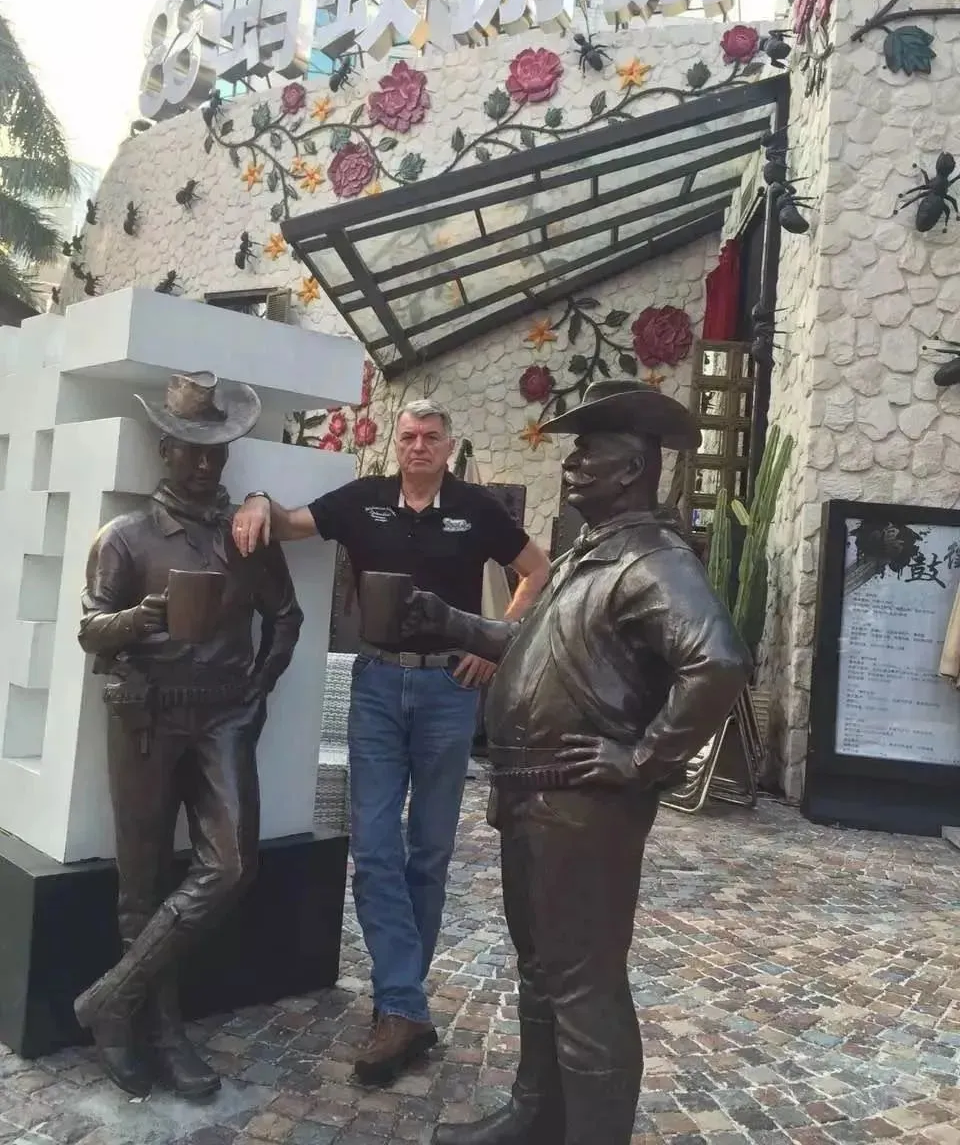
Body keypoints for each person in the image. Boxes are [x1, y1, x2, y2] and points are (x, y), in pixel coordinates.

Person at [401, 380, 752, 1145]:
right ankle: (538, 1115)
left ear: (631, 469)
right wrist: (450, 621)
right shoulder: (588, 555)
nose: (570, 465)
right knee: (541, 968)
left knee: (584, 984)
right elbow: (530, 644)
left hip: (584, 801)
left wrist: (642, 758)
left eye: (588, 453)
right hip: (534, 793)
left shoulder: (653, 561)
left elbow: (718, 662)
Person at [232, 398, 550, 1085]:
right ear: (396, 444)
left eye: (431, 436)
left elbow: (538, 569)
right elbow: (292, 523)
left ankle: (399, 1005)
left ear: (449, 445)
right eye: (408, 436)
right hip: (377, 686)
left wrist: (494, 643)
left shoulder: (475, 509)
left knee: (428, 853)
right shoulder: (364, 501)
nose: (418, 446)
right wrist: (257, 499)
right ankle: (404, 1007)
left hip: (448, 691)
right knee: (376, 849)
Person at [74, 371, 304, 1100]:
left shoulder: (247, 536)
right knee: (140, 877)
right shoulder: (125, 537)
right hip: (145, 715)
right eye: (192, 450)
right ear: (165, 450)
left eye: (218, 451)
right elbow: (91, 630)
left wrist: (258, 689)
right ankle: (154, 1027)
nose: (206, 464)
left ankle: (112, 996)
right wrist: (145, 615)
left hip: (223, 715)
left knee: (231, 865)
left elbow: (286, 616)